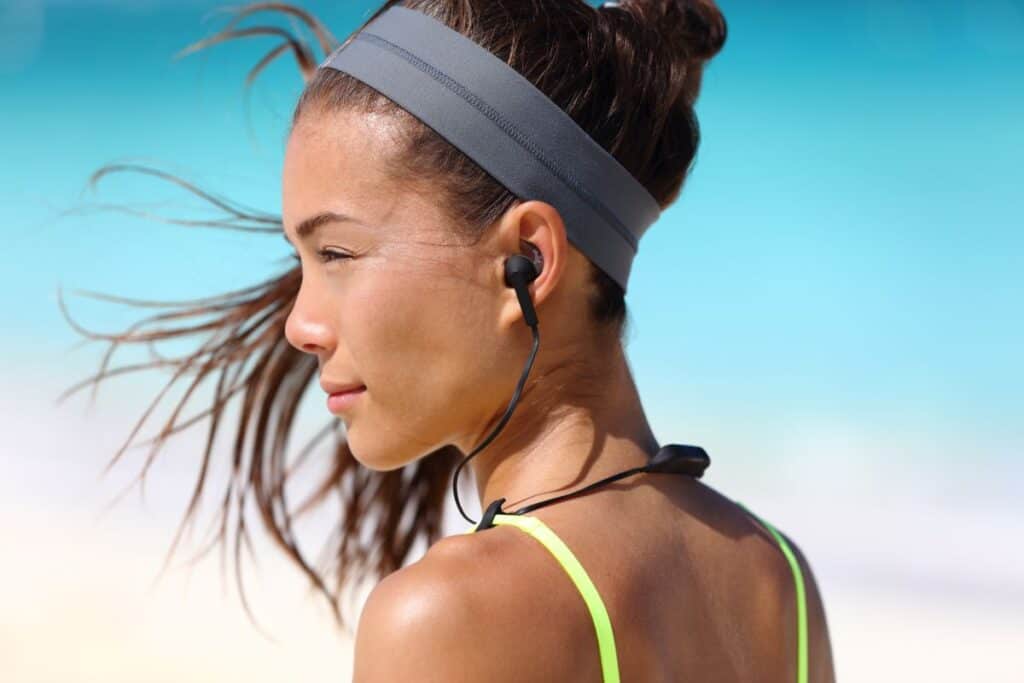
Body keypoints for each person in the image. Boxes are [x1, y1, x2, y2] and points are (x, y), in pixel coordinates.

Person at [73, 1, 835, 681]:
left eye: (336, 253)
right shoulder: (778, 578)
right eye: (300, 262)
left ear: (528, 261)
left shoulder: (446, 617)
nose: (298, 325)